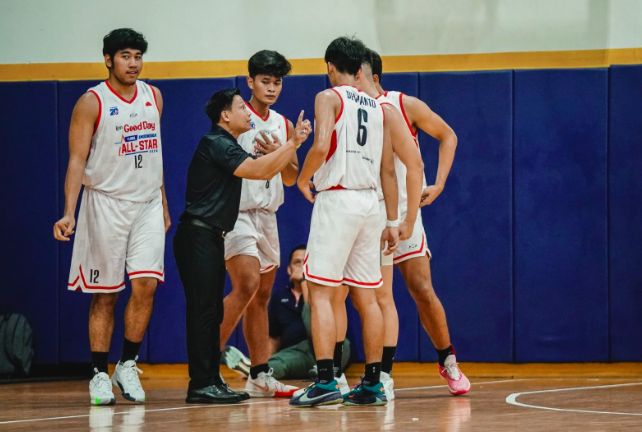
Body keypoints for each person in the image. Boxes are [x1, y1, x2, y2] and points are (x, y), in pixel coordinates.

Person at [53, 28, 170, 406]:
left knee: (146, 285)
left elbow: (155, 155)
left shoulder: (154, 96)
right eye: (125, 55)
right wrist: (69, 211)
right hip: (105, 203)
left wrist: (164, 204)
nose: (133, 62)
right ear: (108, 59)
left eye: (137, 56)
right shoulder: (91, 102)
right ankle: (99, 374)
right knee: (106, 294)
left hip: (148, 204)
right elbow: (76, 160)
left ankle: (128, 364)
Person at [173, 88, 311, 404]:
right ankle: (203, 381)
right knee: (205, 311)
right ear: (225, 115)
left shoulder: (227, 144)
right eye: (240, 107)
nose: (247, 112)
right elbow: (258, 169)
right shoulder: (218, 143)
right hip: (199, 234)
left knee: (208, 308)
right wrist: (292, 144)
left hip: (210, 235)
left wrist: (286, 149)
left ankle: (211, 380)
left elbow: (272, 171)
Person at [289, 36, 399, 408]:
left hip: (338, 198)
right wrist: (393, 218)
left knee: (320, 292)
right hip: (372, 204)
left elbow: (321, 146)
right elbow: (388, 169)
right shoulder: (381, 108)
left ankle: (324, 380)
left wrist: (303, 180)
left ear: (331, 67)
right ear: (361, 69)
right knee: (367, 297)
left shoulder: (329, 97)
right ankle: (372, 384)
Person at [324, 48, 426, 401]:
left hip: (370, 211)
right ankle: (353, 377)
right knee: (346, 295)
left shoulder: (379, 108)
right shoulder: (361, 107)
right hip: (365, 209)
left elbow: (413, 167)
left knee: (370, 296)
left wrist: (406, 220)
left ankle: (371, 376)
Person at [369, 50, 469, 396]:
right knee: (376, 297)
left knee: (422, 290)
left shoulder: (403, 104)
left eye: (359, 75)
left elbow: (448, 136)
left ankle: (448, 360)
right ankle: (379, 375)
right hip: (369, 212)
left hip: (406, 214)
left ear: (374, 78)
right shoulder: (349, 109)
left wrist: (439, 184)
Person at [220, 51, 300, 398]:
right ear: (250, 81)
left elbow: (293, 176)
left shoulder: (283, 124)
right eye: (265, 81)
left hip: (268, 216)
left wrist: (282, 153)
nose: (271, 88)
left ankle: (259, 372)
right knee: (247, 284)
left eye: (277, 82)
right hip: (237, 213)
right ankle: (205, 367)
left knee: (262, 296)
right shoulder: (236, 117)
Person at [267, 245, 350, 382]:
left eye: (306, 263)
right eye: (297, 263)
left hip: (330, 347)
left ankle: (324, 368)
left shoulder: (326, 292)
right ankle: (261, 370)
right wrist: (265, 360)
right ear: (289, 269)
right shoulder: (279, 296)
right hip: (298, 352)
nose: (302, 267)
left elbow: (313, 315)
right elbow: (274, 337)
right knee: (278, 363)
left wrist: (305, 281)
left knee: (343, 345)